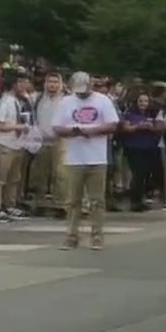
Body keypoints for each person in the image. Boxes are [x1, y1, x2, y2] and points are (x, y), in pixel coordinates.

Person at [53, 72, 119, 250]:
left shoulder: (103, 101)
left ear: (91, 85)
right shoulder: (66, 102)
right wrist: (74, 131)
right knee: (73, 200)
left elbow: (113, 124)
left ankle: (97, 236)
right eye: (79, 91)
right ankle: (71, 236)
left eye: (85, 90)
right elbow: (57, 127)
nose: (82, 94)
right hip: (74, 158)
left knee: (96, 200)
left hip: (97, 157)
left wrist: (92, 130)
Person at [0, 75, 32, 223]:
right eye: (21, 83)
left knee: (14, 178)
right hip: (5, 145)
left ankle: (10, 204)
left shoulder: (18, 102)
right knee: (1, 177)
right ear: (14, 84)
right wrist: (18, 126)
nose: (25, 86)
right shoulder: (4, 102)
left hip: (17, 144)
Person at [30, 72, 67, 204]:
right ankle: (40, 202)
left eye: (56, 82)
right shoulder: (37, 99)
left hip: (61, 141)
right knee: (41, 174)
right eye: (50, 82)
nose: (53, 85)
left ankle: (60, 203)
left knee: (60, 174)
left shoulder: (66, 100)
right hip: (41, 142)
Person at [120, 93, 160, 213]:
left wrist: (150, 127)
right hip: (134, 148)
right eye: (141, 101)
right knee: (137, 174)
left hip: (149, 147)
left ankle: (142, 199)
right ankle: (135, 201)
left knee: (145, 175)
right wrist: (139, 127)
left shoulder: (152, 114)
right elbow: (126, 128)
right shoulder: (130, 114)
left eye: (145, 101)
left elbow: (158, 128)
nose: (143, 104)